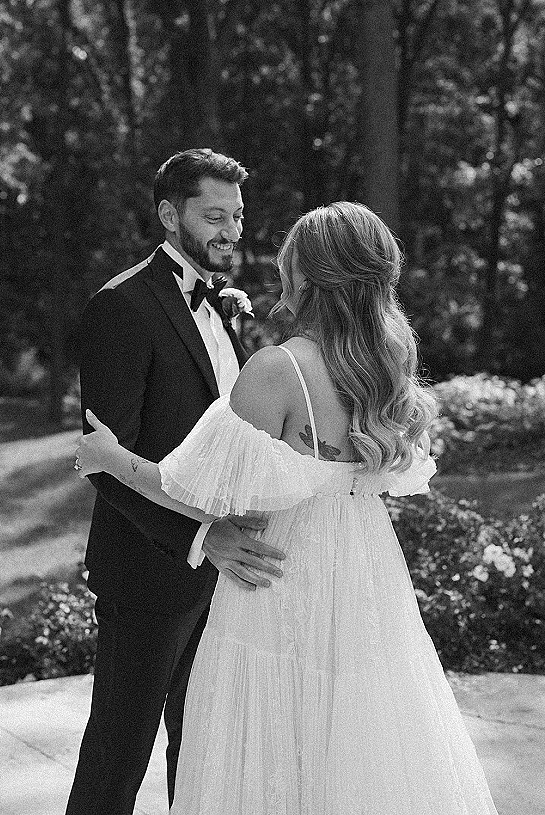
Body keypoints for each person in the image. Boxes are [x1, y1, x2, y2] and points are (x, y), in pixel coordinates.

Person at [75, 201, 499, 814]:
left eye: (289, 261)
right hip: (364, 577)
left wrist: (111, 457)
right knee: (353, 742)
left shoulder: (278, 371)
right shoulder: (387, 369)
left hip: (277, 577)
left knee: (268, 744)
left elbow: (189, 487)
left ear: (308, 275)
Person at [65, 148, 285, 815]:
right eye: (215, 215)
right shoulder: (122, 306)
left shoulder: (223, 302)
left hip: (221, 578)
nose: (232, 231)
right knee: (116, 758)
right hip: (148, 574)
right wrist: (201, 536)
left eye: (239, 216)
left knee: (201, 753)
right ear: (169, 214)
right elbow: (107, 460)